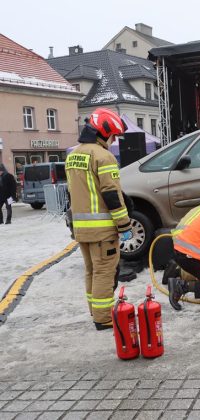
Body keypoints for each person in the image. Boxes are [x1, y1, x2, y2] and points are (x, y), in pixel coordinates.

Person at [65, 108, 133, 330]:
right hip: (103, 230)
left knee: (91, 271)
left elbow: (74, 192)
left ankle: (95, 311)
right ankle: (103, 318)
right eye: (113, 136)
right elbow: (111, 194)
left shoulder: (73, 155)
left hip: (81, 228)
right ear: (104, 132)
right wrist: (124, 225)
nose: (114, 141)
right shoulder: (104, 157)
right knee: (104, 271)